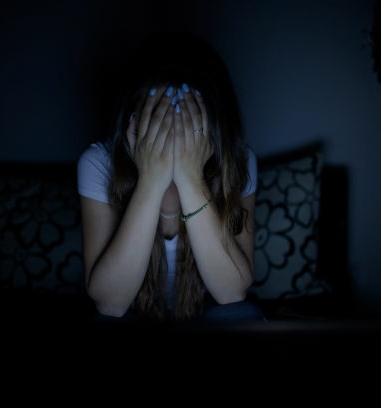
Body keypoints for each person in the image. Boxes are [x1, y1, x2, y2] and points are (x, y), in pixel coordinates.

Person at [77, 32, 265, 323]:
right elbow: (110, 304)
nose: (172, 133)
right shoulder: (98, 163)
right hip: (133, 318)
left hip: (206, 318)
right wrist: (150, 181)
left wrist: (191, 179)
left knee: (243, 314)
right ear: (134, 121)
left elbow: (232, 294)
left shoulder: (236, 161)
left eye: (189, 121)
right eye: (158, 121)